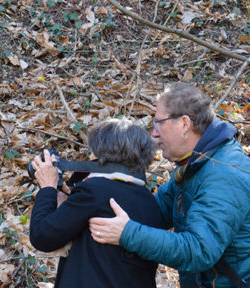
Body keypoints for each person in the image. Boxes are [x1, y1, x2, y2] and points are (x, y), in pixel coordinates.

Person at [89, 83, 250, 288]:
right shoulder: (196, 163)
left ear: (184, 124)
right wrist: (89, 199)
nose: (154, 134)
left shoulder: (224, 175)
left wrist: (128, 234)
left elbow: (199, 250)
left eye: (159, 123)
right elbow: (154, 210)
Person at [29, 118, 166, 288]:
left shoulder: (95, 190)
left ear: (103, 153)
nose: (90, 156)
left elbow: (42, 236)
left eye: (92, 151)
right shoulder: (150, 202)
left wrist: (47, 187)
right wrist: (70, 200)